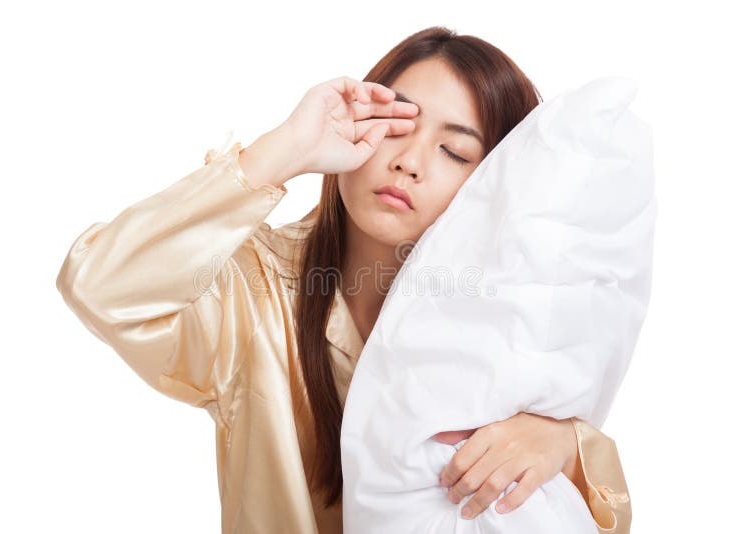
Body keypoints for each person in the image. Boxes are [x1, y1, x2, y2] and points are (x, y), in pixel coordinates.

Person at [56, 26, 631, 534]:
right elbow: (101, 285)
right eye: (394, 125)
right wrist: (285, 150)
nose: (409, 161)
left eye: (454, 151)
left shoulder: (513, 312)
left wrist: (562, 444)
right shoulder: (256, 290)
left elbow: (599, 515)